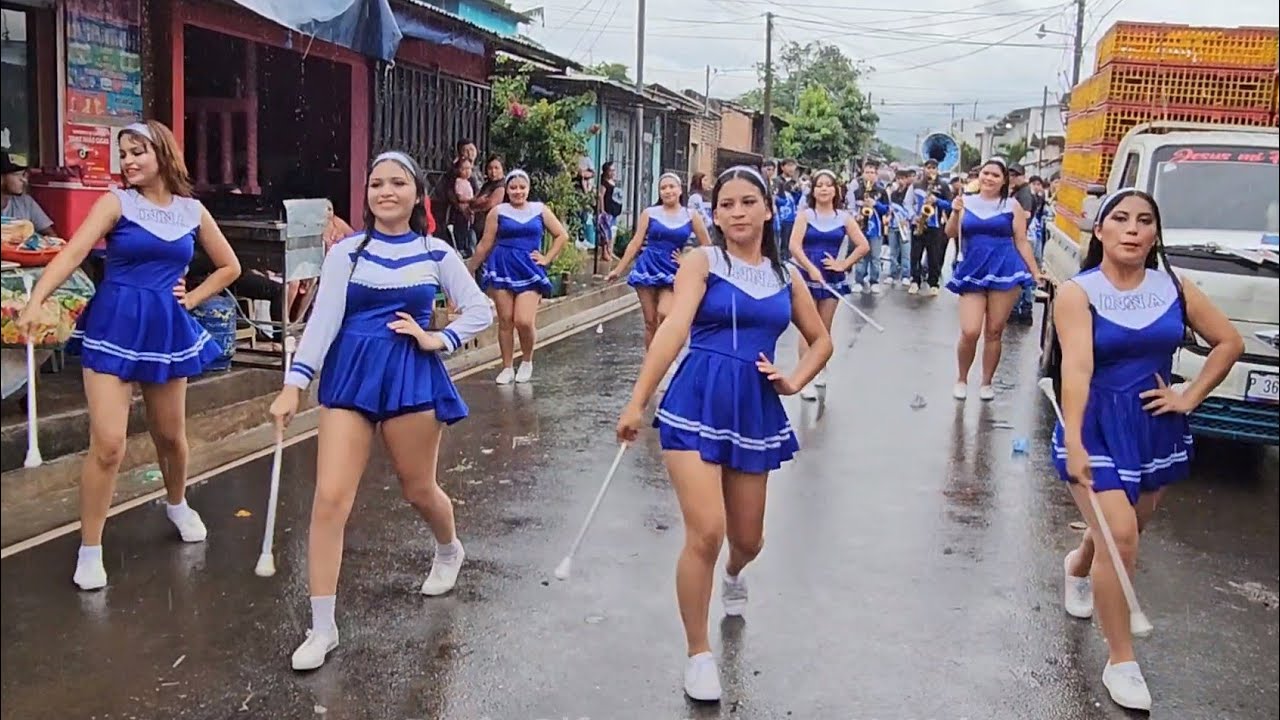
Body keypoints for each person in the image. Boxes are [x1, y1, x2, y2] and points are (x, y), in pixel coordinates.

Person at [267, 151, 493, 671]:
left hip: (410, 374)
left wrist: (441, 337)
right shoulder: (348, 252)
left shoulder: (436, 253)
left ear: (417, 195)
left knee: (418, 489)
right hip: (349, 374)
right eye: (375, 184)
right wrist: (294, 385)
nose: (385, 192)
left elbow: (478, 307)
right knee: (330, 498)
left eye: (396, 183)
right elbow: (323, 320)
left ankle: (449, 548)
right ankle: (322, 626)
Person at [616, 166, 832, 704]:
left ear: (767, 210)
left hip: (754, 406)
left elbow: (821, 340)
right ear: (714, 213)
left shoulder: (786, 276)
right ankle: (698, 653)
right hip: (695, 397)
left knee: (747, 540)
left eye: (747, 202)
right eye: (726, 204)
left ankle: (736, 574)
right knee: (705, 532)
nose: (736, 212)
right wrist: (638, 399)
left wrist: (793, 380)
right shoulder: (702, 261)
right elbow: (672, 329)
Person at [14, 120, 241, 590]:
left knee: (171, 437)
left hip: (164, 328)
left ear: (163, 155)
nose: (129, 161)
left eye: (138, 152)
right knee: (110, 443)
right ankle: (90, 547)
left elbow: (229, 266)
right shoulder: (116, 203)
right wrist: (37, 300)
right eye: (124, 154)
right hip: (114, 323)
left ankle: (177, 503)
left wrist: (192, 298)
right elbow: (74, 252)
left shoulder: (192, 211)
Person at [1050, 188, 1243, 711]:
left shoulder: (1175, 287)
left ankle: (1077, 564)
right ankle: (1121, 660)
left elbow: (1229, 342)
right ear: (1101, 231)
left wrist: (1189, 396)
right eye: (1121, 219)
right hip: (1095, 425)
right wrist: (1071, 438)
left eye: (1145, 221)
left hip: (1154, 428)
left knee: (1122, 530)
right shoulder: (1077, 292)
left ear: (1156, 234)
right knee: (1122, 539)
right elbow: (1078, 367)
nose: (1133, 229)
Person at [944, 157, 1041, 401]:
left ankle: (986, 382)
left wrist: (1035, 271)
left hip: (1004, 268)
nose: (989, 178)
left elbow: (1021, 240)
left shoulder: (1011, 206)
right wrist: (955, 213)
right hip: (972, 269)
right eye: (986, 173)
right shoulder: (964, 201)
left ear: (1004, 181)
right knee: (970, 330)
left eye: (996, 175)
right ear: (979, 176)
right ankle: (962, 378)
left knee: (995, 331)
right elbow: (949, 232)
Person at [468, 170, 570, 384]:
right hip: (502, 267)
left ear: (528, 188)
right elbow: (486, 243)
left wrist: (547, 258)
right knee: (505, 320)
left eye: (522, 187)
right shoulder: (498, 211)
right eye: (513, 187)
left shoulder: (539, 210)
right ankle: (506, 366)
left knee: (523, 320)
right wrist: (469, 268)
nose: (518, 191)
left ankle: (527, 360)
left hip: (529, 269)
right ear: (507, 189)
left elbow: (561, 235)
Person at [788, 169, 870, 399]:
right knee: (807, 328)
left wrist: (843, 264)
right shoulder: (805, 215)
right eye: (819, 185)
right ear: (813, 190)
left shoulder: (843, 217)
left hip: (831, 278)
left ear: (836, 190)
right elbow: (794, 246)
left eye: (828, 185)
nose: (824, 189)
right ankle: (805, 378)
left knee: (823, 329)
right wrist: (810, 268)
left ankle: (820, 367)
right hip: (806, 274)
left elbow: (863, 246)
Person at [607, 173, 713, 348]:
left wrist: (687, 260)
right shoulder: (650, 213)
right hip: (647, 268)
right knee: (650, 322)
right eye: (663, 188)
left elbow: (707, 247)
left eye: (672, 187)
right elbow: (635, 243)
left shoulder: (691, 215)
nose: (667, 191)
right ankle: (651, 364)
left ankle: (664, 358)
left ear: (680, 190)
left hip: (673, 271)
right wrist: (618, 270)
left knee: (665, 314)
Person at [909, 158, 954, 296]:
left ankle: (933, 283)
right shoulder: (916, 185)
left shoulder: (943, 185)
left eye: (934, 168)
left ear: (937, 170)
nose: (931, 170)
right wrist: (913, 217)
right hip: (918, 223)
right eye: (928, 167)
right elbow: (908, 203)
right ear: (924, 169)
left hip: (935, 225)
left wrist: (937, 200)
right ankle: (915, 281)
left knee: (934, 256)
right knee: (915, 255)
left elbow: (950, 205)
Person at [849, 161, 889, 294]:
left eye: (872, 173)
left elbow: (886, 210)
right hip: (861, 228)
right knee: (860, 256)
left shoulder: (881, 191)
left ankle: (874, 281)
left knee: (875, 257)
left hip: (876, 229)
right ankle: (859, 281)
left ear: (876, 175)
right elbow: (851, 208)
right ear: (863, 174)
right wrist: (856, 216)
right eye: (867, 172)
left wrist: (875, 204)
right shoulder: (857, 191)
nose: (870, 175)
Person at [1, 152, 55, 235]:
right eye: (18, 175)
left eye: (24, 175)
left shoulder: (26, 202)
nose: (24, 180)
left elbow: (51, 235)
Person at [885, 167, 915, 288]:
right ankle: (892, 274)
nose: (901, 181)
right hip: (893, 225)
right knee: (893, 252)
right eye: (898, 178)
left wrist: (908, 219)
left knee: (906, 253)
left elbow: (911, 208)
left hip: (905, 226)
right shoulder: (893, 193)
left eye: (903, 178)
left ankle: (906, 276)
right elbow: (890, 208)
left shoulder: (910, 193)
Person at [597, 161, 622, 263]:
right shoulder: (604, 183)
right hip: (607, 210)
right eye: (611, 170)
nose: (613, 172)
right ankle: (605, 252)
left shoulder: (614, 182)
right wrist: (602, 209)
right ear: (606, 171)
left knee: (613, 232)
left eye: (613, 170)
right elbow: (600, 196)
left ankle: (610, 251)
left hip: (615, 211)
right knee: (606, 232)